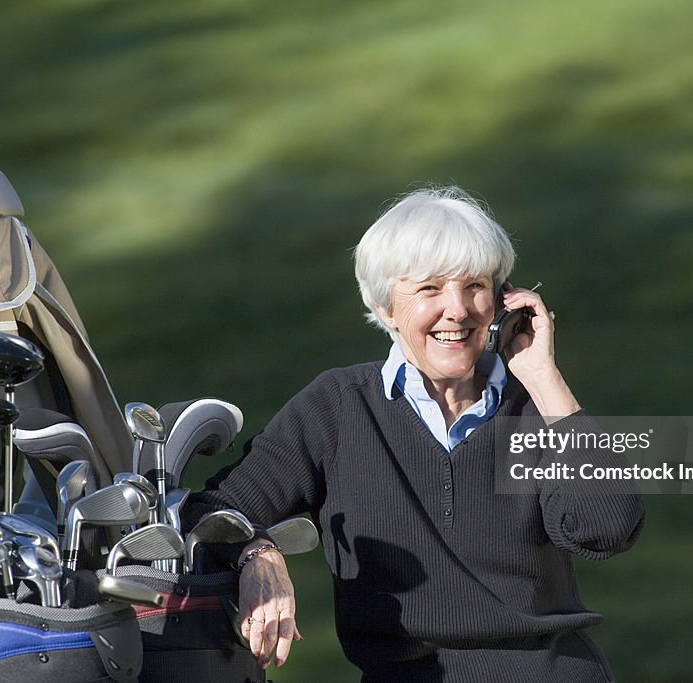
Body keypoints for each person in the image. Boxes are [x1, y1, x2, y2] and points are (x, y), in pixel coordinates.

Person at [185, 186, 645, 682]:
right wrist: (260, 554)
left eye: (476, 286)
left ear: (503, 299)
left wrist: (543, 377)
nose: (458, 309)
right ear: (385, 307)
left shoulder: (535, 405)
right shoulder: (337, 408)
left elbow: (607, 527)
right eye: (430, 289)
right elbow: (211, 512)